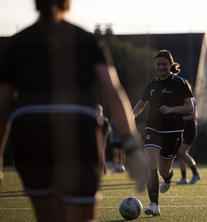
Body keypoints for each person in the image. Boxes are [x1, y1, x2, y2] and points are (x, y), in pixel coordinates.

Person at [0, 1, 147, 221]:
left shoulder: (17, 42)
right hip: (78, 128)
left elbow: (2, 105)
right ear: (67, 3)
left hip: (30, 130)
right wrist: (132, 147)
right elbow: (113, 92)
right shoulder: (87, 40)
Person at [133, 50, 194, 216]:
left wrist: (171, 110)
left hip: (173, 131)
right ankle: (154, 205)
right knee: (150, 163)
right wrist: (131, 116)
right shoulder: (151, 84)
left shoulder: (180, 83)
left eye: (164, 64)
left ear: (170, 65)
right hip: (152, 128)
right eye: (158, 64)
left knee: (164, 171)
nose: (161, 67)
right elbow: (140, 105)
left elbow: (190, 107)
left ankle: (168, 178)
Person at [176, 80, 200, 185]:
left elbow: (194, 116)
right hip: (183, 129)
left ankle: (196, 174)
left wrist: (180, 117)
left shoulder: (191, 100)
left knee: (182, 152)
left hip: (190, 129)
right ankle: (184, 178)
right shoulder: (181, 100)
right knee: (180, 154)